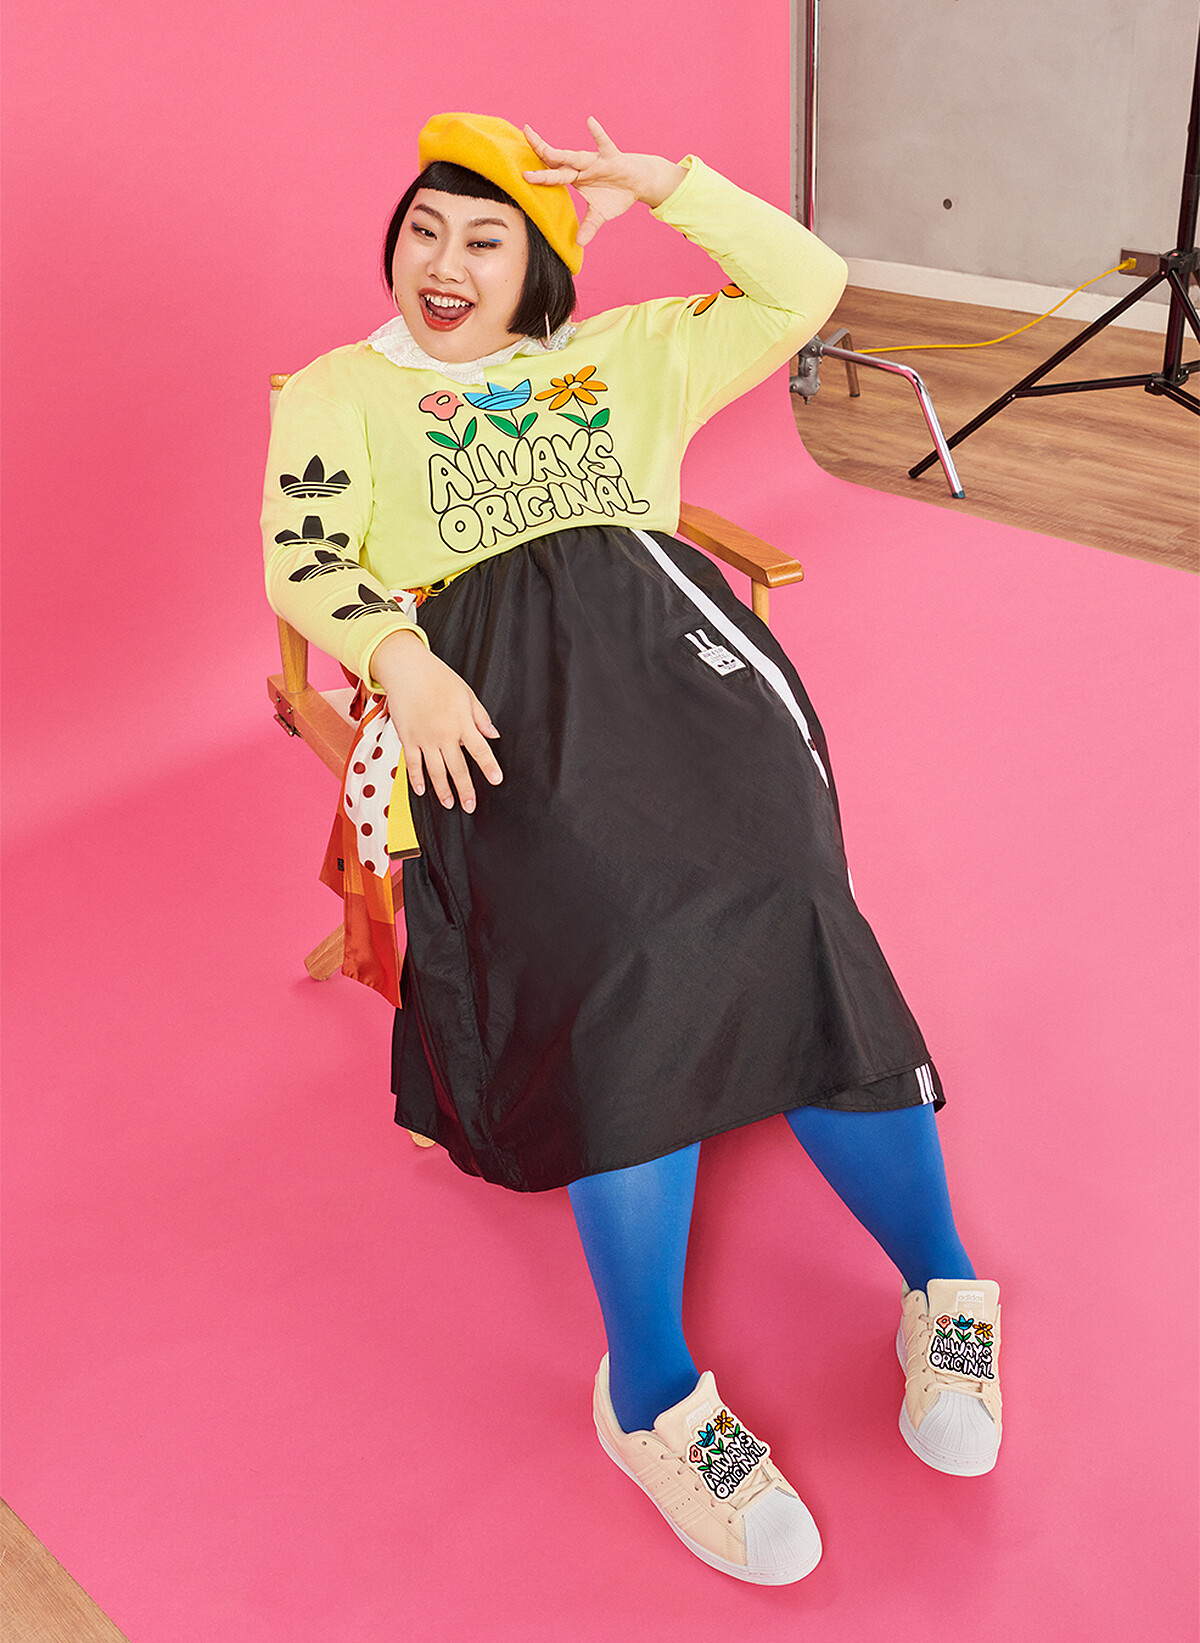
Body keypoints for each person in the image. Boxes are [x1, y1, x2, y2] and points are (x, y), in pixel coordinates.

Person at [262, 112, 1003, 1586]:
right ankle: (651, 1396)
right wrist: (402, 663)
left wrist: (669, 188)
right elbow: (306, 554)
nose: (443, 263)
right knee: (619, 950)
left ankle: (947, 1289)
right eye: (423, 231)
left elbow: (804, 285)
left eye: (486, 239)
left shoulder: (631, 354)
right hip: (485, 709)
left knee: (795, 901)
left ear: (541, 267)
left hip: (687, 678)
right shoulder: (343, 389)